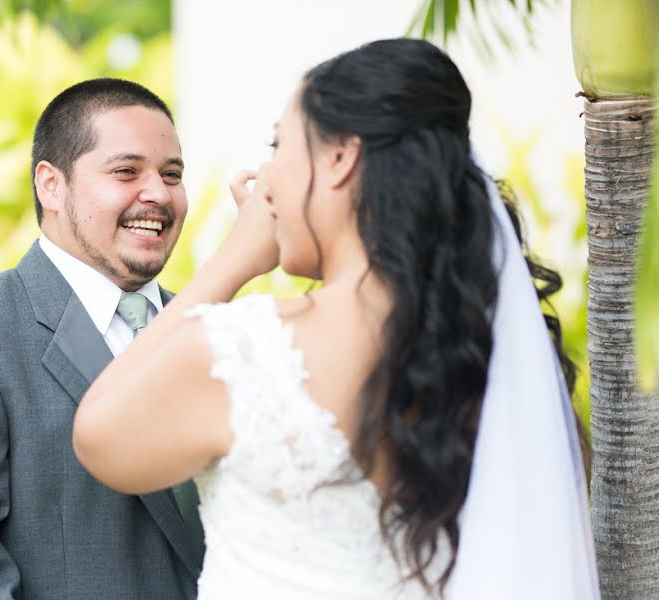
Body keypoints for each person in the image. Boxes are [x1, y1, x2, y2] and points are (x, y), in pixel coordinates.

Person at [72, 40, 600, 599]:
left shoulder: (245, 351)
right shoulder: (495, 362)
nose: (265, 177)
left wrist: (231, 262)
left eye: (279, 145)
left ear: (341, 158)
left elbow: (98, 436)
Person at [0, 78, 204, 600]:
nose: (159, 194)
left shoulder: (213, 327)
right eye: (127, 171)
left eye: (172, 174)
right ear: (51, 185)